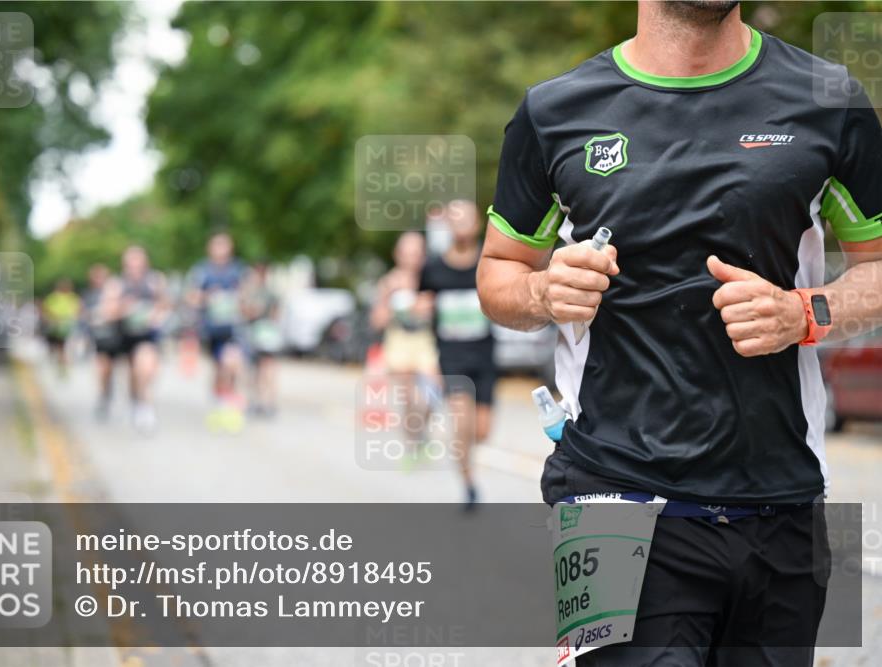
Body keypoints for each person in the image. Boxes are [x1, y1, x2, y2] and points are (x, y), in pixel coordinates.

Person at [477, 1, 882, 664]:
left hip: (782, 501)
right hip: (607, 491)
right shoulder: (555, 111)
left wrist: (804, 313)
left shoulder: (830, 101)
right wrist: (545, 291)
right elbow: (499, 275)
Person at [419, 200, 497, 511]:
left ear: (478, 224)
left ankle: (464, 455)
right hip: (450, 358)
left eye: (466, 218)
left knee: (481, 431)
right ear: (447, 226)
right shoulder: (433, 267)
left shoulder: (489, 262)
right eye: (455, 219)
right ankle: (469, 484)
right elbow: (422, 306)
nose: (460, 224)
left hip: (485, 356)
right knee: (461, 425)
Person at [370, 231, 440, 459]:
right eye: (407, 253)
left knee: (433, 393)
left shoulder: (431, 279)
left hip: (425, 343)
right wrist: (399, 306)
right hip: (399, 343)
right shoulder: (389, 283)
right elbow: (377, 320)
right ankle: (411, 444)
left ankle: (419, 432)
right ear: (397, 255)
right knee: (409, 398)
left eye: (416, 253)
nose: (411, 258)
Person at [187, 232, 249, 431]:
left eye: (224, 245)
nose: (220, 250)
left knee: (232, 364)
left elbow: (249, 294)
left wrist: (239, 299)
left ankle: (230, 406)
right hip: (212, 330)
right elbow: (191, 296)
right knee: (219, 369)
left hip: (233, 328)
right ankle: (219, 402)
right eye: (216, 245)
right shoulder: (202, 271)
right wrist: (208, 297)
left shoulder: (238, 270)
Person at [117, 246, 168, 433]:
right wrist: (123, 308)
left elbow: (166, 304)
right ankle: (135, 402)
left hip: (148, 336)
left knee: (145, 368)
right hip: (126, 336)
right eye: (131, 262)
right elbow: (108, 309)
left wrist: (156, 312)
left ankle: (145, 407)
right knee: (133, 373)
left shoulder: (155, 281)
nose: (135, 266)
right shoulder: (118, 284)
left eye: (138, 261)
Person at [240, 261, 283, 417]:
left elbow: (275, 315)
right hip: (253, 334)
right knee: (253, 371)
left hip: (265, 335)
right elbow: (244, 311)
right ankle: (256, 401)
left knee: (267, 369)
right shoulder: (249, 292)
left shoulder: (270, 294)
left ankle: (267, 402)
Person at [81, 263, 123, 421]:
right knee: (102, 368)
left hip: (116, 337)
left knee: (113, 369)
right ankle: (103, 394)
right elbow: (83, 315)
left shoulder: (115, 291)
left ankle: (110, 391)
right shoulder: (89, 295)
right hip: (100, 339)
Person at [41, 279, 81, 377]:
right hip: (55, 326)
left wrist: (72, 318)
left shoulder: (72, 297)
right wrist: (53, 319)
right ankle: (60, 364)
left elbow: (78, 310)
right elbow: (45, 310)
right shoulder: (53, 297)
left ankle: (63, 366)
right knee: (57, 347)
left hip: (67, 326)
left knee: (63, 347)